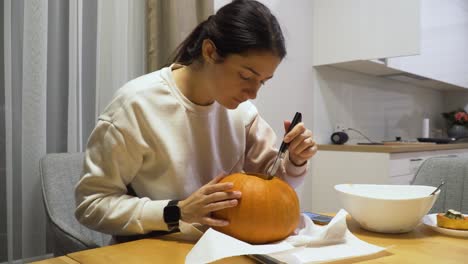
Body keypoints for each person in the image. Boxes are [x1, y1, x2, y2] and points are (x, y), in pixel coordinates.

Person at [75, 0, 317, 241]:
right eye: (245, 76)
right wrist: (177, 211)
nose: (253, 93)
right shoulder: (136, 106)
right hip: (157, 249)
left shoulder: (243, 115)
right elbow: (92, 205)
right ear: (209, 51)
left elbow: (272, 194)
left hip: (225, 249)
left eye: (262, 81)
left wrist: (295, 159)